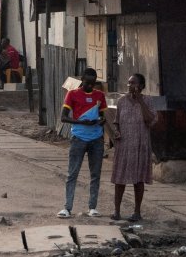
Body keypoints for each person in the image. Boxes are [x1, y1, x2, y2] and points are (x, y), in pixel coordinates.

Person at [58, 68, 108, 218]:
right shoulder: (72, 94)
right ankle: (67, 207)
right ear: (82, 80)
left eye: (93, 84)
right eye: (87, 83)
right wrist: (80, 121)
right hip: (79, 137)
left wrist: (101, 120)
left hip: (96, 138)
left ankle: (92, 207)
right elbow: (63, 117)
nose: (90, 86)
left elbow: (102, 115)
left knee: (95, 174)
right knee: (72, 173)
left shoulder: (100, 95)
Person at [110, 73, 157, 221]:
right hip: (123, 146)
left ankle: (137, 212)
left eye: (133, 83)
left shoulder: (148, 101)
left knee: (139, 179)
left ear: (141, 86)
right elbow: (116, 122)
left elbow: (150, 120)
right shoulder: (122, 101)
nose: (130, 86)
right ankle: (116, 211)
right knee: (119, 179)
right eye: (129, 83)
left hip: (140, 146)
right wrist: (116, 132)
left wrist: (140, 102)